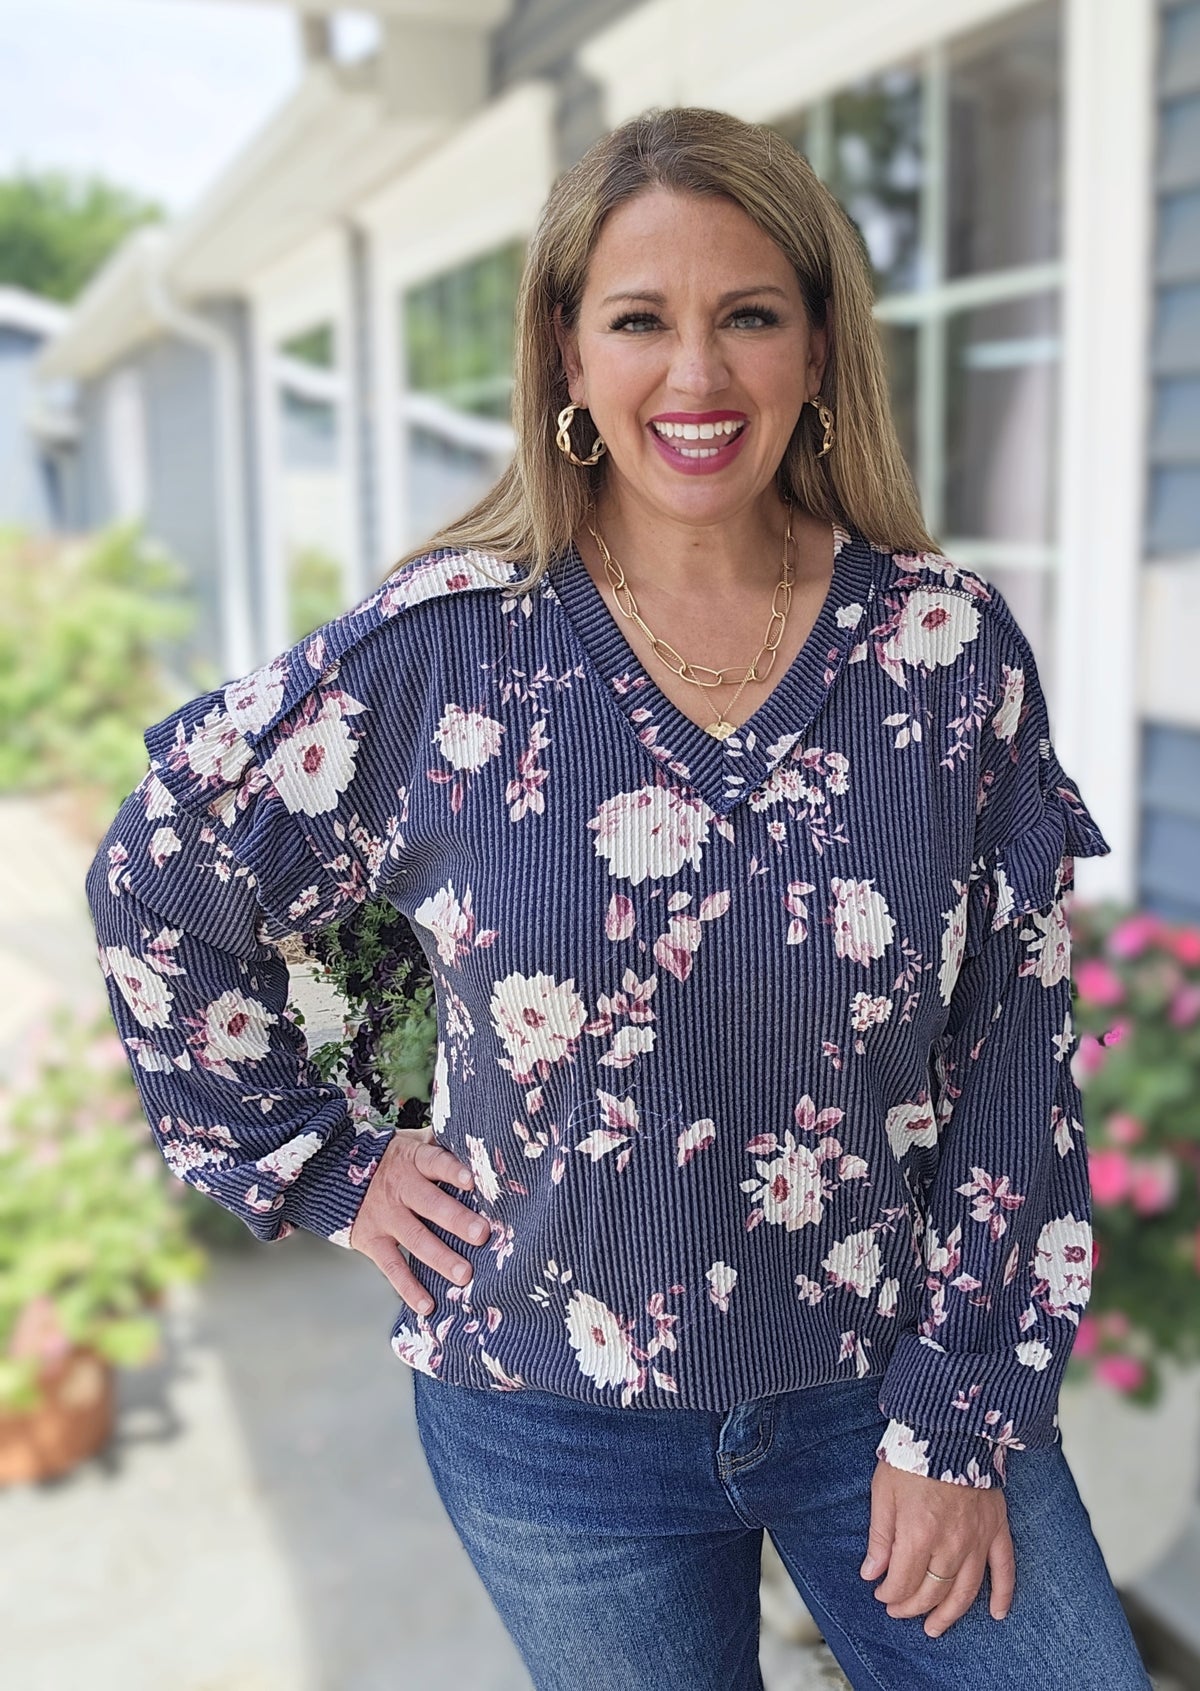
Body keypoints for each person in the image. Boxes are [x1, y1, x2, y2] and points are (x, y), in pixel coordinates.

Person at [84, 107, 1153, 1691]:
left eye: (750, 316)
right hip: (550, 1426)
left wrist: (964, 1406)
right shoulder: (446, 652)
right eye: (641, 320)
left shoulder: (942, 651)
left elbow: (1010, 1045)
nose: (697, 375)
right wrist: (322, 1163)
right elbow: (158, 878)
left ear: (818, 347)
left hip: (889, 1381)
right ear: (566, 357)